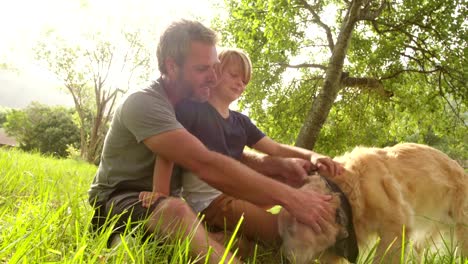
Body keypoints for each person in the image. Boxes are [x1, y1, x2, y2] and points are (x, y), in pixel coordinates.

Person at [88, 20, 340, 263]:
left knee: (225, 238)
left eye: (214, 66)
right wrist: (291, 198)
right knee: (176, 212)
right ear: (172, 66)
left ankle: (155, 242)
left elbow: (227, 154)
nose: (212, 76)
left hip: (165, 204)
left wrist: (286, 164)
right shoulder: (145, 103)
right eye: (202, 69)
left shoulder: (193, 105)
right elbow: (203, 162)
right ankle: (125, 239)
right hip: (119, 200)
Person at [140, 48, 344, 253]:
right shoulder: (192, 110)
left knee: (290, 201)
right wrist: (161, 195)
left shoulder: (241, 122)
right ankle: (216, 237)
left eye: (245, 81)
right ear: (215, 73)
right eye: (234, 75)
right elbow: (168, 153)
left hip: (240, 191)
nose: (240, 83)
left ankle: (224, 237)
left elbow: (274, 148)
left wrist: (312, 155)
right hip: (212, 202)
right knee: (279, 234)